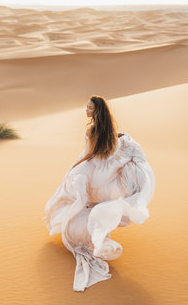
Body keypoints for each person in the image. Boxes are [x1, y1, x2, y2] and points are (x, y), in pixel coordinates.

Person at [43, 95, 156, 292]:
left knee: (72, 190)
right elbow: (113, 144)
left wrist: (76, 165)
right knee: (89, 203)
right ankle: (95, 231)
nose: (86, 110)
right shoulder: (109, 128)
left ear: (95, 111)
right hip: (107, 170)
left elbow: (90, 153)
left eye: (88, 108)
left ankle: (80, 232)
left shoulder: (91, 129)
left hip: (95, 169)